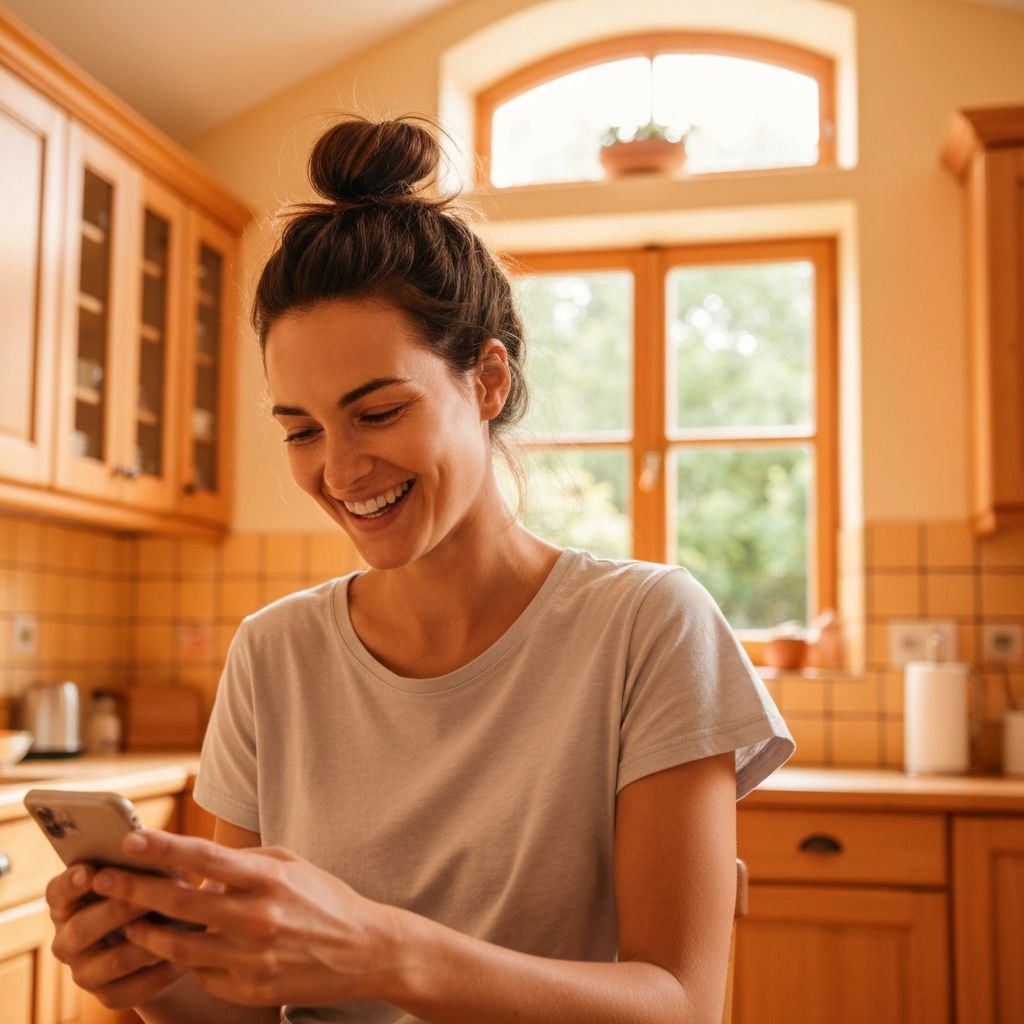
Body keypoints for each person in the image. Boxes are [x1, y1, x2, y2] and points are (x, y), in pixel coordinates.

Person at [45, 115, 795, 1024]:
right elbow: (242, 1006)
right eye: (301, 430)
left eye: (378, 411)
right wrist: (155, 982)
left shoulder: (647, 626)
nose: (338, 467)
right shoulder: (272, 655)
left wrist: (387, 952)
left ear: (486, 382)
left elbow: (680, 1005)